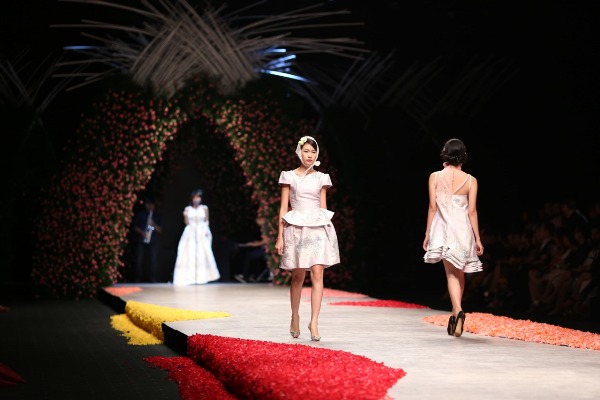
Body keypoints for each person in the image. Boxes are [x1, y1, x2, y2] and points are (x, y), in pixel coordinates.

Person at [275, 136, 340, 342]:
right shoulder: (289, 176)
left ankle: (314, 322)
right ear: (299, 153)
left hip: (318, 228)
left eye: (313, 152)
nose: (310, 155)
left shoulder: (322, 178)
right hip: (296, 228)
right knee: (298, 275)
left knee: (318, 272)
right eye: (306, 151)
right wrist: (280, 236)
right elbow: (283, 208)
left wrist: (328, 232)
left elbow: (323, 207)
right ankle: (295, 316)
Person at [423, 138, 484, 337]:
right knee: (460, 273)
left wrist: (427, 232)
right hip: (463, 231)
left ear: (446, 154)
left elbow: (432, 207)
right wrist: (477, 238)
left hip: (443, 230)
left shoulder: (434, 177)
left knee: (451, 274)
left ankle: (457, 311)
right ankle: (455, 313)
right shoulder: (471, 180)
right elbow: (472, 211)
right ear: (463, 156)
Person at [172, 189, 220, 285]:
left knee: (202, 253)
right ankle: (190, 277)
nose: (197, 199)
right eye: (195, 197)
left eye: (198, 197)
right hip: (191, 231)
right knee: (189, 253)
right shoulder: (188, 209)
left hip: (201, 231)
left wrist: (206, 230)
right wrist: (185, 216)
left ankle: (202, 277)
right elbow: (186, 222)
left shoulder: (204, 208)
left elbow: (207, 220)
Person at [133, 196, 162, 282]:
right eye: (148, 204)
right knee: (139, 260)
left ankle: (152, 278)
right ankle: (138, 278)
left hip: (153, 240)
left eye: (152, 204)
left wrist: (153, 224)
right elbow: (135, 226)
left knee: (153, 260)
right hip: (142, 239)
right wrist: (142, 232)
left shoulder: (157, 215)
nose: (150, 206)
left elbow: (160, 230)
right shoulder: (141, 214)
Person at [234, 216, 269, 283]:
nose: (257, 221)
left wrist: (253, 244)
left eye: (258, 219)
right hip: (264, 249)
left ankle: (246, 277)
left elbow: (265, 241)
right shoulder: (265, 227)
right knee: (252, 254)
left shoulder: (266, 227)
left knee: (249, 256)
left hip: (266, 250)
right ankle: (254, 276)